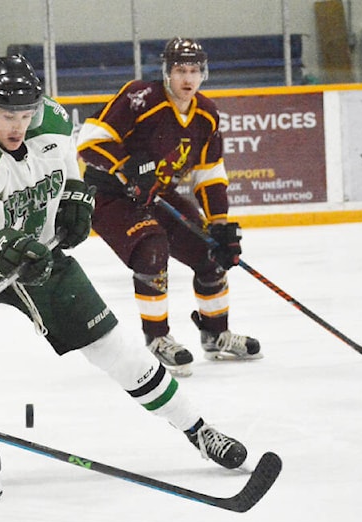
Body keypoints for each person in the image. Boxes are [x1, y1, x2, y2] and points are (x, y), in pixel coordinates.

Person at [0, 54, 248, 508]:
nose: (17, 125)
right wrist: (0, 252)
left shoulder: (51, 117)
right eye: (5, 115)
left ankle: (198, 428)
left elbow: (68, 165)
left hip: (42, 253)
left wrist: (77, 196)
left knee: (116, 351)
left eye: (24, 114)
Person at [76, 37, 261, 377]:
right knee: (152, 248)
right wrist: (127, 166)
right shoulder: (140, 97)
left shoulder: (206, 114)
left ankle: (216, 333)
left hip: (157, 193)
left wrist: (220, 224)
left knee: (210, 248)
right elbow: (88, 141)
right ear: (166, 73)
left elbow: (209, 174)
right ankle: (157, 339)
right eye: (179, 70)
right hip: (111, 197)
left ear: (203, 74)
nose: (186, 79)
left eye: (193, 70)